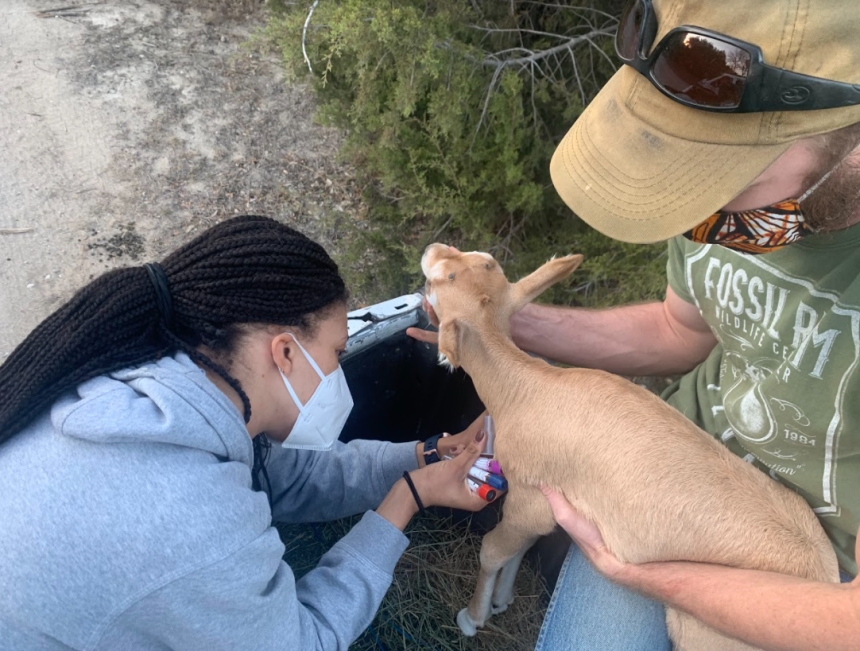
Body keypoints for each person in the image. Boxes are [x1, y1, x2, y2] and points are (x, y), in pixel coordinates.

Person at [407, 0, 860, 649]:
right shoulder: (724, 215)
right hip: (661, 460)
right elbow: (679, 331)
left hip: (811, 568)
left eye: (724, 175)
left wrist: (642, 571)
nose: (697, 217)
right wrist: (503, 341)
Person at [0, 215, 499, 651]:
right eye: (336, 354)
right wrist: (406, 499)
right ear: (284, 354)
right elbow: (304, 642)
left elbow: (289, 477)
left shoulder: (163, 371)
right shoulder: (186, 518)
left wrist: (424, 455)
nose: (337, 371)